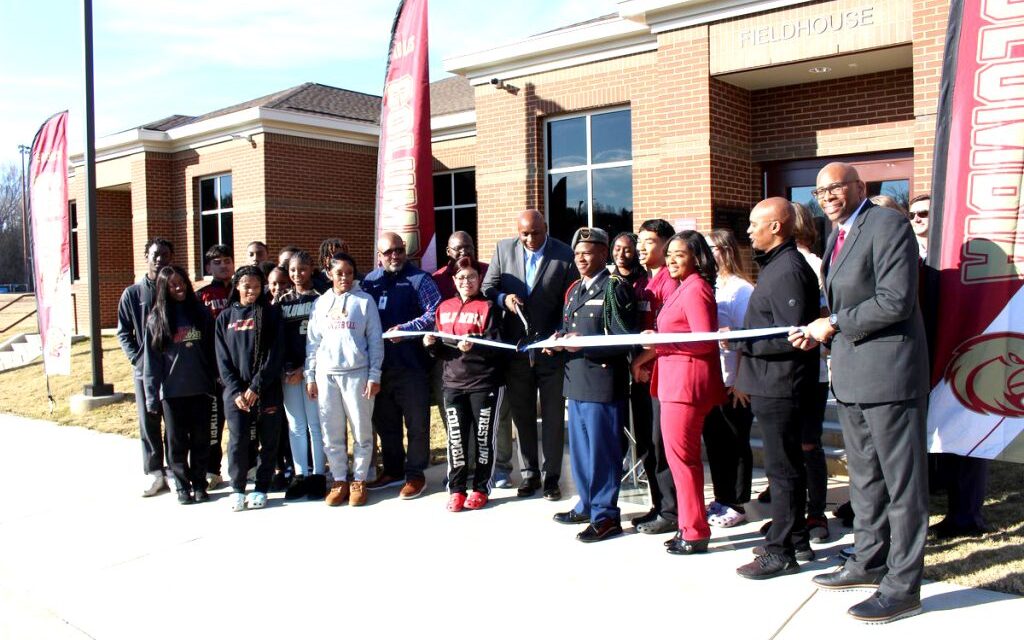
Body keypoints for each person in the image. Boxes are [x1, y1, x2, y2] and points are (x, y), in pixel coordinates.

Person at [790, 162, 929, 623]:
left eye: (836, 187)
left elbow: (895, 299)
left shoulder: (886, 223)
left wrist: (833, 323)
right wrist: (821, 331)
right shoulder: (839, 235)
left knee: (902, 483)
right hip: (852, 376)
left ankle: (903, 585)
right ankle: (869, 560)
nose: (827, 195)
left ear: (860, 187)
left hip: (889, 376)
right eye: (820, 190)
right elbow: (848, 300)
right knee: (866, 479)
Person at [732, 198, 821, 579]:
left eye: (755, 224)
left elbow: (794, 336)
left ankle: (781, 550)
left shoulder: (787, 269)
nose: (749, 231)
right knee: (785, 468)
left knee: (783, 471)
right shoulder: (777, 266)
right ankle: (796, 534)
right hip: (771, 383)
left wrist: (742, 341)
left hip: (781, 385)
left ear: (777, 228)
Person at [482, 209, 577, 500]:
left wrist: (559, 335)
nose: (530, 239)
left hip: (550, 350)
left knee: (551, 417)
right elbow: (488, 287)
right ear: (517, 232)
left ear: (545, 228)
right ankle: (529, 474)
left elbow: (572, 299)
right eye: (524, 234)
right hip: (517, 350)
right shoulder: (503, 249)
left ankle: (551, 478)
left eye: (536, 233)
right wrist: (503, 298)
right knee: (522, 416)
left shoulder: (564, 253)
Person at [551, 228, 636, 541]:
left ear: (603, 253)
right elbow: (569, 327)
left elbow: (623, 339)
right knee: (582, 452)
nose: (581, 258)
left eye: (587, 252)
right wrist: (558, 341)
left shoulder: (615, 288)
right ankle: (587, 504)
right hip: (576, 382)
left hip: (602, 383)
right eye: (577, 253)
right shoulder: (574, 289)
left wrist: (584, 343)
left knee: (603, 453)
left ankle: (606, 516)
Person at [650, 230, 725, 554]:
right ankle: (688, 524)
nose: (672, 260)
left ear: (696, 257)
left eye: (679, 254)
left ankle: (694, 531)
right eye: (669, 255)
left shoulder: (696, 289)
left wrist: (660, 341)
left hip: (686, 386)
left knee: (683, 461)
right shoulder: (682, 289)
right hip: (674, 382)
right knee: (681, 460)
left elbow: (705, 340)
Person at [361, 232, 442, 499]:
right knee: (386, 423)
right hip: (379, 368)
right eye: (388, 252)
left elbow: (435, 314)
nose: (394, 255)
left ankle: (415, 473)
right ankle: (393, 470)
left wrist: (406, 329)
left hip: (412, 367)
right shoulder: (369, 282)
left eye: (399, 250)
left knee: (417, 423)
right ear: (379, 256)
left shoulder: (420, 280)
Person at [425, 256, 505, 512]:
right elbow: (441, 351)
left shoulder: (489, 306)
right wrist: (431, 344)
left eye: (471, 277)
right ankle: (457, 489)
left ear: (479, 279)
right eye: (460, 277)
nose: (466, 281)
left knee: (483, 439)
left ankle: (481, 489)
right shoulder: (443, 307)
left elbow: (497, 346)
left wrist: (475, 344)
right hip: (453, 384)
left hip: (484, 383)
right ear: (453, 281)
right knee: (456, 440)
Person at [305, 252, 383, 507]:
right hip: (327, 376)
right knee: (331, 431)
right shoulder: (320, 303)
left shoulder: (365, 301)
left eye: (349, 273)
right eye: (339, 273)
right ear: (329, 274)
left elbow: (375, 341)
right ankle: (339, 479)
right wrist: (311, 374)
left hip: (357, 374)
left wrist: (374, 375)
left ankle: (359, 479)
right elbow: (313, 342)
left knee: (361, 430)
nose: (345, 278)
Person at [143, 266, 216, 505]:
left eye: (181, 283)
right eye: (173, 285)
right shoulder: (157, 318)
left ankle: (199, 485)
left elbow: (212, 350)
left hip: (200, 388)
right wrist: (151, 397)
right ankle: (182, 486)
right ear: (164, 288)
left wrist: (215, 379)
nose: (179, 288)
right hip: (172, 393)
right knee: (176, 442)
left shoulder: (200, 313)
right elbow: (152, 362)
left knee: (200, 440)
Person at [215, 265, 285, 512]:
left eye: (256, 286)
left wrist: (256, 385)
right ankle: (237, 487)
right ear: (237, 286)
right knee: (238, 441)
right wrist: (236, 391)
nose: (252, 291)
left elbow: (275, 354)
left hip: (266, 389)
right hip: (236, 394)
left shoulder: (271, 313)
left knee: (268, 440)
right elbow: (222, 358)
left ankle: (261, 486)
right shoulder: (225, 317)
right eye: (247, 286)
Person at [629, 219, 679, 535]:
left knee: (662, 447)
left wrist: (640, 361)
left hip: (662, 375)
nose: (641, 248)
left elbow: (668, 334)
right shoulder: (644, 283)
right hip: (644, 375)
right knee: (648, 445)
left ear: (665, 245)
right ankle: (658, 505)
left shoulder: (669, 283)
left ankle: (672, 512)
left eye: (648, 241)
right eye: (640, 242)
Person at [702, 228, 754, 529]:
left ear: (726, 250)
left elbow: (749, 337)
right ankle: (721, 495)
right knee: (716, 442)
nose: (708, 254)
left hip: (733, 380)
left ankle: (737, 501)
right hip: (713, 378)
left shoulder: (741, 289)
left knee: (735, 441)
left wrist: (742, 380)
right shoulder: (710, 286)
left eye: (713, 248)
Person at [117, 237, 174, 497]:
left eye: (165, 255)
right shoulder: (132, 294)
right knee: (148, 419)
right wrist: (137, 359)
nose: (160, 259)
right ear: (146, 256)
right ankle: (154, 471)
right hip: (144, 371)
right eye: (155, 254)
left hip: (173, 369)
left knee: (173, 420)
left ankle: (174, 469)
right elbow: (124, 332)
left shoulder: (174, 289)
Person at [792, 203, 831, 543]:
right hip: (784, 374)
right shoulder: (779, 264)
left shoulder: (815, 264)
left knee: (808, 443)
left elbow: (825, 314)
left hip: (812, 372)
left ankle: (816, 514)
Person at [278, 251, 327, 501]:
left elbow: (322, 340)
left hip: (311, 372)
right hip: (288, 373)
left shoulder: (322, 299)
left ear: (312, 270)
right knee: (295, 426)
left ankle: (319, 475)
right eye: (293, 270)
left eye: (303, 269)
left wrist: (306, 370)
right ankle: (300, 474)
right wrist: (287, 368)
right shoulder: (282, 300)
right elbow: (277, 339)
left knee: (314, 425)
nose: (298, 274)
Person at [197, 244, 234, 489]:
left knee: (244, 423)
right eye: (217, 262)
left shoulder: (244, 288)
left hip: (241, 369)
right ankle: (212, 469)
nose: (223, 265)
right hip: (214, 372)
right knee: (214, 423)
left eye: (227, 260)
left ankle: (248, 464)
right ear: (209, 267)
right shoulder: (202, 296)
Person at [908, 194, 929, 260]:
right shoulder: (903, 250)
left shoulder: (949, 250)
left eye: (923, 213)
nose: (916, 219)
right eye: (912, 215)